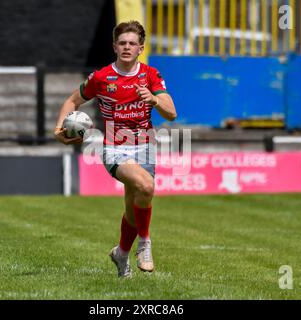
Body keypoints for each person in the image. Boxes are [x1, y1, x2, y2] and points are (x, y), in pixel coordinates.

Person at [54, 20, 177, 278]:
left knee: (134, 207)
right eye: (122, 43)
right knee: (145, 186)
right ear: (114, 46)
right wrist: (59, 128)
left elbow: (172, 112)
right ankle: (144, 244)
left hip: (144, 148)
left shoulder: (150, 75)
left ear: (140, 48)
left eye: (132, 43)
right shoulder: (101, 78)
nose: (127, 47)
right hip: (114, 149)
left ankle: (121, 254)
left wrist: (154, 99)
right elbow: (72, 100)